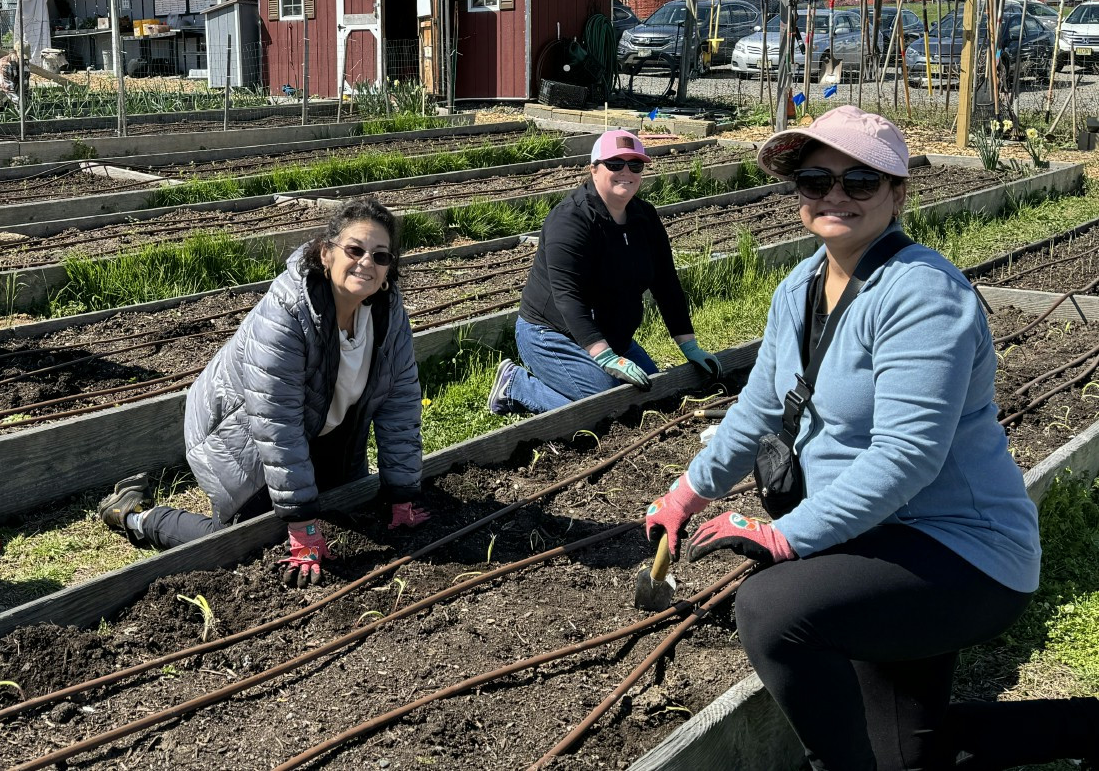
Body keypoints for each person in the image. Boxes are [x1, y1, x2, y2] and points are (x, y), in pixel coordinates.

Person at [642, 105, 1097, 771]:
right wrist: (685, 494)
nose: (835, 195)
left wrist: (785, 537)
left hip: (962, 553)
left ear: (898, 191)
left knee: (772, 606)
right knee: (905, 754)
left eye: (860, 181)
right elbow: (760, 410)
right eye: (816, 179)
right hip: (878, 540)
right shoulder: (797, 288)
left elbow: (906, 455)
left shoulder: (922, 293)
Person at [98, 198, 431, 586]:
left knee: (343, 512)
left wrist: (402, 492)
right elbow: (277, 422)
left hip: (323, 429)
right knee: (250, 543)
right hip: (239, 433)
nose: (366, 263)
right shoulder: (288, 313)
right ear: (327, 253)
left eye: (380, 255)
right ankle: (136, 516)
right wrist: (302, 523)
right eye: (355, 250)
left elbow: (401, 403)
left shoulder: (388, 314)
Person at [487, 129, 720, 416]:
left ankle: (589, 379)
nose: (626, 172)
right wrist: (604, 356)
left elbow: (666, 283)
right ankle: (515, 386)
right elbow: (567, 297)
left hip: (612, 335)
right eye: (615, 164)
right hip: (552, 334)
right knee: (610, 405)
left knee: (655, 396)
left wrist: (690, 346)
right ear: (594, 170)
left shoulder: (644, 217)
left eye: (635, 165)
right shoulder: (570, 221)